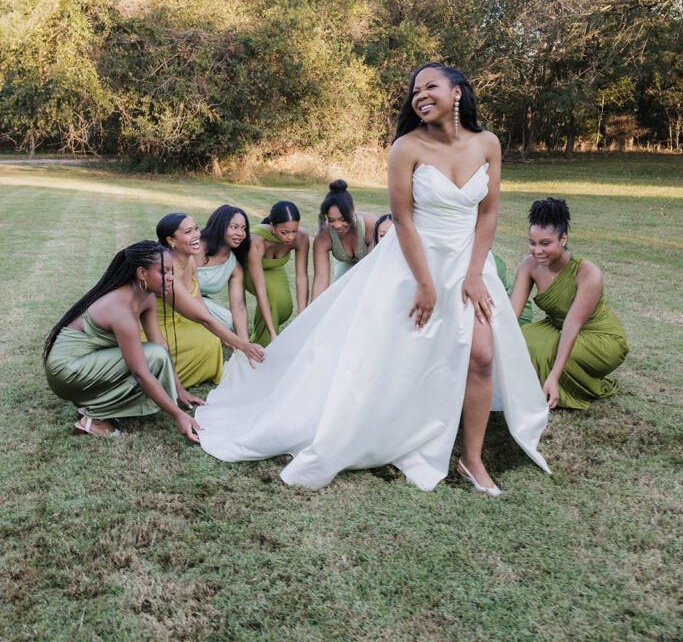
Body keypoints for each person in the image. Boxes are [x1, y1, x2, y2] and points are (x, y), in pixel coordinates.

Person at [196, 64, 549, 492]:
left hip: (469, 264)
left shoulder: (488, 143)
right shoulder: (407, 147)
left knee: (482, 355)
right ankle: (390, 426)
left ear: (457, 92)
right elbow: (400, 218)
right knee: (392, 355)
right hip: (412, 262)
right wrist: (425, 283)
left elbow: (488, 213)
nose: (420, 95)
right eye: (415, 90)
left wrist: (475, 273)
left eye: (430, 86)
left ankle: (471, 459)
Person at [44, 241, 204, 441]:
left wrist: (179, 389)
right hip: (66, 371)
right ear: (142, 274)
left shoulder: (146, 297)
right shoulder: (122, 309)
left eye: (172, 271)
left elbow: (160, 343)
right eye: (164, 272)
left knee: (157, 353)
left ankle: (94, 404)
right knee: (150, 359)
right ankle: (96, 419)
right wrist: (179, 415)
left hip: (82, 363)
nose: (171, 277)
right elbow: (140, 373)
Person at [510, 197, 629, 410]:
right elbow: (511, 316)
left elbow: (572, 325)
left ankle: (557, 384)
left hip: (601, 339)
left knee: (547, 350)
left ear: (563, 239)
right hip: (557, 327)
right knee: (519, 340)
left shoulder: (588, 272)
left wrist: (554, 376)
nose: (537, 251)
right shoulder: (529, 265)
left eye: (545, 243)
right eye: (532, 243)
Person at [154, 214, 264, 387]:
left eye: (196, 228)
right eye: (188, 232)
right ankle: (164, 381)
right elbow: (203, 318)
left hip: (181, 321)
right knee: (209, 338)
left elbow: (200, 304)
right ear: (171, 240)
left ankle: (195, 370)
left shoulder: (190, 260)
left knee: (211, 341)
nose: (197, 234)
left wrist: (222, 335)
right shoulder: (168, 271)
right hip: (158, 327)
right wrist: (243, 345)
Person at [244, 201, 310, 347]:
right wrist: (273, 332)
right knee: (271, 297)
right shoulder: (257, 241)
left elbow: (301, 278)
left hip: (273, 269)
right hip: (248, 269)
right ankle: (266, 344)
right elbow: (261, 291)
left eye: (295, 230)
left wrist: (302, 319)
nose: (291, 237)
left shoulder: (301, 237)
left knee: (285, 308)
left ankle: (259, 335)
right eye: (284, 232)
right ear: (273, 226)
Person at [311, 180, 377, 299]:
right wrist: (313, 313)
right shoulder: (322, 236)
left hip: (372, 267)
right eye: (331, 220)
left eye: (342, 219)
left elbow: (371, 273)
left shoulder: (371, 226)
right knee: (338, 297)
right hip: (344, 263)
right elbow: (321, 280)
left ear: (352, 211)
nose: (337, 225)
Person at [197, 205, 250, 342]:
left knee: (225, 320)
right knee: (220, 323)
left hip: (200, 300)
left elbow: (238, 305)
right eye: (234, 227)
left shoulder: (234, 266)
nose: (240, 233)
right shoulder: (197, 249)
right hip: (176, 296)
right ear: (220, 226)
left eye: (243, 228)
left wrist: (244, 343)